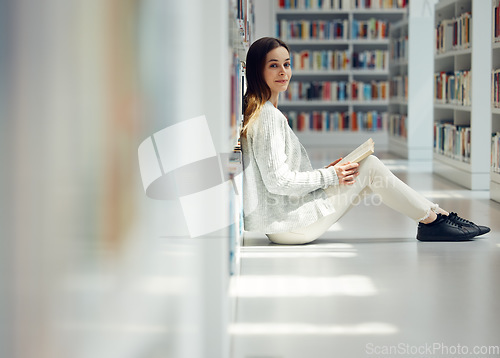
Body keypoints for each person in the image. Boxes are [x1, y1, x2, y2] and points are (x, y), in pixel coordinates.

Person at [240, 37, 490, 245]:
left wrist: (329, 172)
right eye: (274, 65)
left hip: (286, 222)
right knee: (370, 166)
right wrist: (331, 176)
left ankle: (435, 216)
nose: (283, 72)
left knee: (366, 168)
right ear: (257, 70)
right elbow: (278, 181)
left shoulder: (264, 112)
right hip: (291, 226)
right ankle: (434, 220)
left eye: (287, 63)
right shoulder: (268, 117)